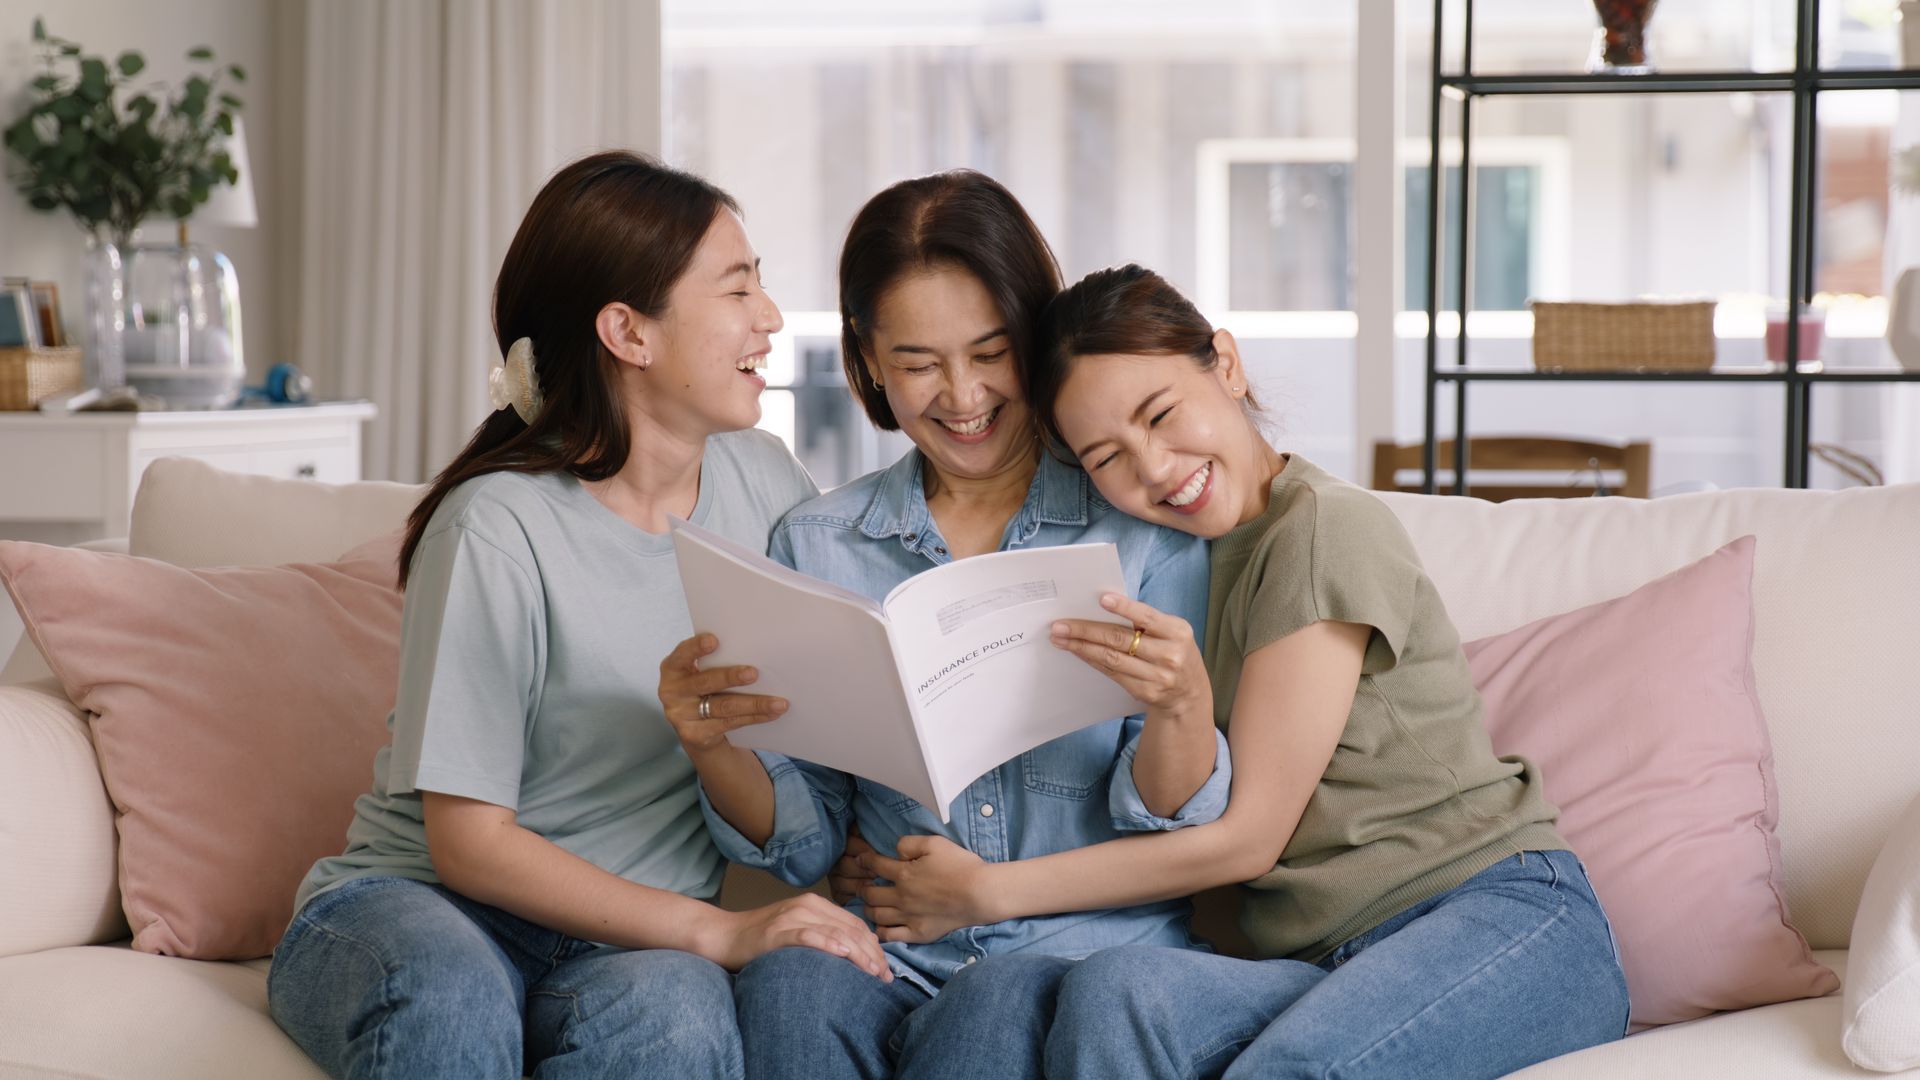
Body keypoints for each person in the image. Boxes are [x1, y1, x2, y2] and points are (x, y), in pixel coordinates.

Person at [836, 264, 1630, 1080]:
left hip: (1498, 921)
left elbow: (1248, 839)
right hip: (1325, 966)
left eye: (1162, 414)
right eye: (1108, 456)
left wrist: (986, 892)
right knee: (1114, 993)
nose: (1152, 468)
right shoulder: (1172, 567)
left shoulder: (1319, 532)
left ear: (1226, 363)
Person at [266, 151, 888, 1080]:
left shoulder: (766, 485)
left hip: (613, 946)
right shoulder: (497, 525)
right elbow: (468, 843)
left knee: (680, 1021)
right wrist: (719, 931)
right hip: (420, 909)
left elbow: (813, 739)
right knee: (453, 995)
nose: (768, 318)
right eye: (737, 289)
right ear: (628, 333)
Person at [656, 173, 1227, 1080]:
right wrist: (711, 746)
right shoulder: (817, 542)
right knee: (789, 986)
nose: (961, 396)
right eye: (919, 364)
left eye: (991, 352)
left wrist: (1181, 707)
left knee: (995, 1005)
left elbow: (1169, 823)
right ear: (871, 363)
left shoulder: (1136, 520)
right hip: (895, 953)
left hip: (1074, 952)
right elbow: (805, 845)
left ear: (1034, 340)